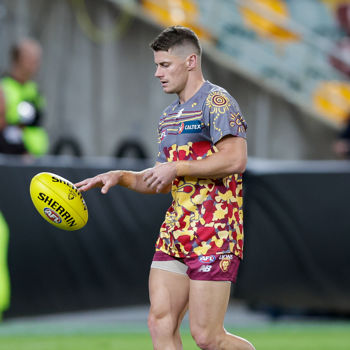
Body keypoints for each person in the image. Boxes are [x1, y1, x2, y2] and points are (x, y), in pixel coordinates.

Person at [76, 26, 255, 350]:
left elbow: (235, 159)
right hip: (177, 227)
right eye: (156, 65)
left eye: (165, 65)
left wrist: (178, 166)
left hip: (214, 230)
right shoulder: (169, 116)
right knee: (160, 322)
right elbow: (162, 179)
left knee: (207, 337)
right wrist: (122, 176)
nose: (157, 73)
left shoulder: (217, 101)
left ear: (190, 61)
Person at [0, 38, 48, 156]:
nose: (35, 64)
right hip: (12, 160)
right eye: (31, 59)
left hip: (36, 159)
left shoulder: (34, 89)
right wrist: (19, 152)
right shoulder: (4, 87)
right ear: (18, 59)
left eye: (37, 59)